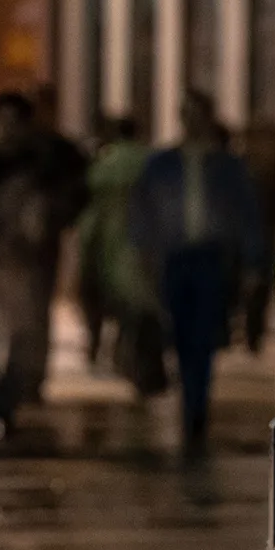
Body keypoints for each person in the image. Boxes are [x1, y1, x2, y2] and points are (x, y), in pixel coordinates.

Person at [129, 91, 264, 456]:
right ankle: (190, 395)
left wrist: (252, 263)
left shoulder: (227, 167)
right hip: (174, 258)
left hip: (210, 258)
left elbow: (246, 216)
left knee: (203, 334)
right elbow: (143, 215)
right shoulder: (162, 165)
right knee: (178, 331)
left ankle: (195, 404)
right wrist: (143, 258)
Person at [0, 91, 88, 438]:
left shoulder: (43, 166)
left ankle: (7, 400)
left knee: (23, 335)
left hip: (30, 265)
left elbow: (72, 198)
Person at [78, 117, 168, 394]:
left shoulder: (104, 165)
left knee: (117, 302)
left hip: (110, 241)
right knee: (143, 304)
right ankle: (141, 364)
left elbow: (91, 210)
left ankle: (125, 359)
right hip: (144, 243)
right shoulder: (149, 161)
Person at [238, 121, 275, 353]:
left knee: (256, 279)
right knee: (260, 280)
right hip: (265, 228)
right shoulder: (268, 164)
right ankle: (254, 330)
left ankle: (252, 330)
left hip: (259, 228)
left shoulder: (249, 165)